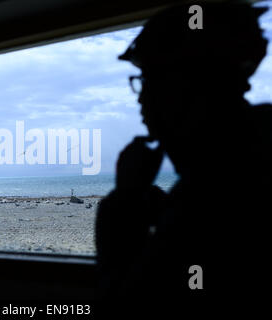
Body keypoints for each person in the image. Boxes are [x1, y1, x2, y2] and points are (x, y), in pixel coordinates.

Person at [95, 1, 272, 311]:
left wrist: (124, 203)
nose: (142, 102)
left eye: (149, 81)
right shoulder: (236, 168)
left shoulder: (208, 195)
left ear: (189, 86)